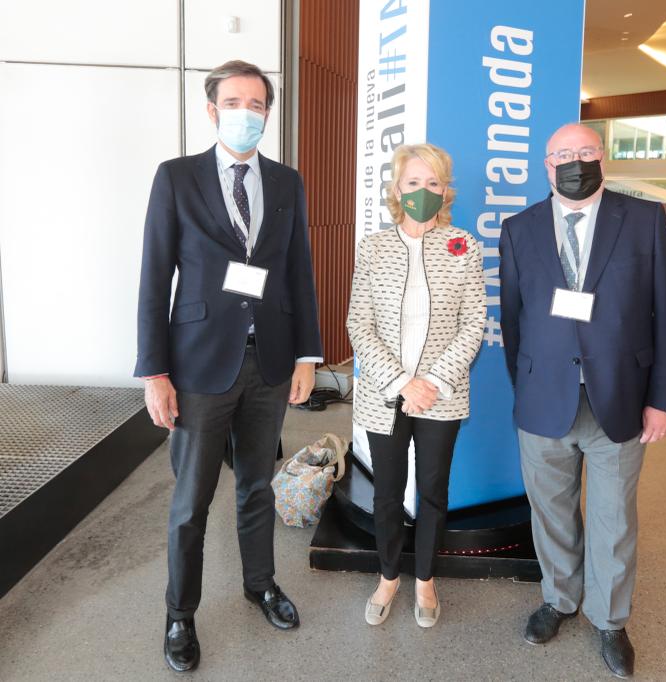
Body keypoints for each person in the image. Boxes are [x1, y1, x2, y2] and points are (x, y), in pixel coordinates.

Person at [134, 60, 323, 673]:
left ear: (268, 111)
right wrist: (154, 372)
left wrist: (305, 355)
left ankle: (260, 583)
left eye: (259, 103)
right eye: (235, 101)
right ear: (213, 110)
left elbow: (298, 274)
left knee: (256, 487)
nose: (249, 112)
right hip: (196, 367)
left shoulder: (288, 182)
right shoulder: (176, 178)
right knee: (191, 500)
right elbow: (153, 277)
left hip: (268, 361)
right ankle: (179, 614)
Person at [499, 123, 666, 679]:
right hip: (544, 401)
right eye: (563, 155)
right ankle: (559, 600)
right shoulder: (519, 229)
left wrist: (664, 400)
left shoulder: (645, 220)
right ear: (545, 165)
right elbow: (515, 321)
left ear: (603, 157)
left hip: (622, 401)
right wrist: (528, 384)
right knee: (551, 514)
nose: (575, 162)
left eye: (585, 152)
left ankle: (610, 619)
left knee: (613, 520)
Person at [346, 144, 486, 629]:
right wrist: (403, 382)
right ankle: (388, 576)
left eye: (433, 183)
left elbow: (474, 325)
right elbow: (358, 324)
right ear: (396, 189)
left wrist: (432, 382)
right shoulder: (374, 247)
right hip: (385, 393)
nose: (422, 191)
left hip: (441, 396)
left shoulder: (464, 246)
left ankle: (425, 578)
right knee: (387, 493)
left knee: (432, 491)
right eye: (413, 183)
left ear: (445, 190)